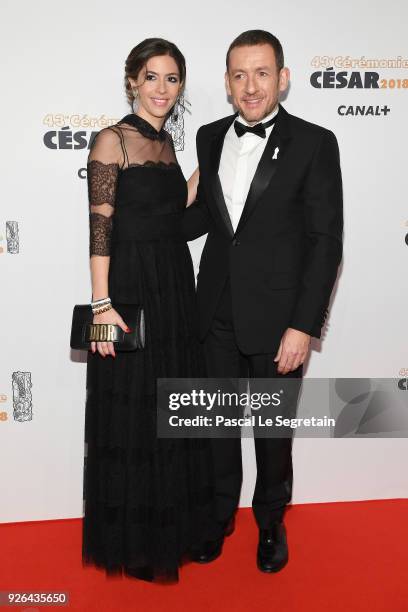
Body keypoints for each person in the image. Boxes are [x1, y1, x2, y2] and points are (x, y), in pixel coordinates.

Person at [183, 30, 343, 572]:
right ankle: (219, 515)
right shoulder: (207, 138)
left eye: (261, 73)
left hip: (279, 321)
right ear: (227, 84)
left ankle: (270, 523)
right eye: (238, 75)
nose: (250, 86)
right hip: (216, 314)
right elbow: (207, 219)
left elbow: (326, 243)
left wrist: (303, 326)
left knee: (273, 435)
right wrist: (152, 205)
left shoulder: (315, 142)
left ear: (283, 77)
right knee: (215, 428)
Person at [82, 38, 215, 583]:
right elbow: (100, 227)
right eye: (152, 77)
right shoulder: (111, 141)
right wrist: (101, 304)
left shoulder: (166, 144)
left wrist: (218, 162)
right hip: (131, 286)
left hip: (174, 284)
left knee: (170, 409)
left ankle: (173, 528)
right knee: (135, 414)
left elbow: (173, 210)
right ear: (133, 80)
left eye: (173, 79)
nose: (163, 89)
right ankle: (136, 545)